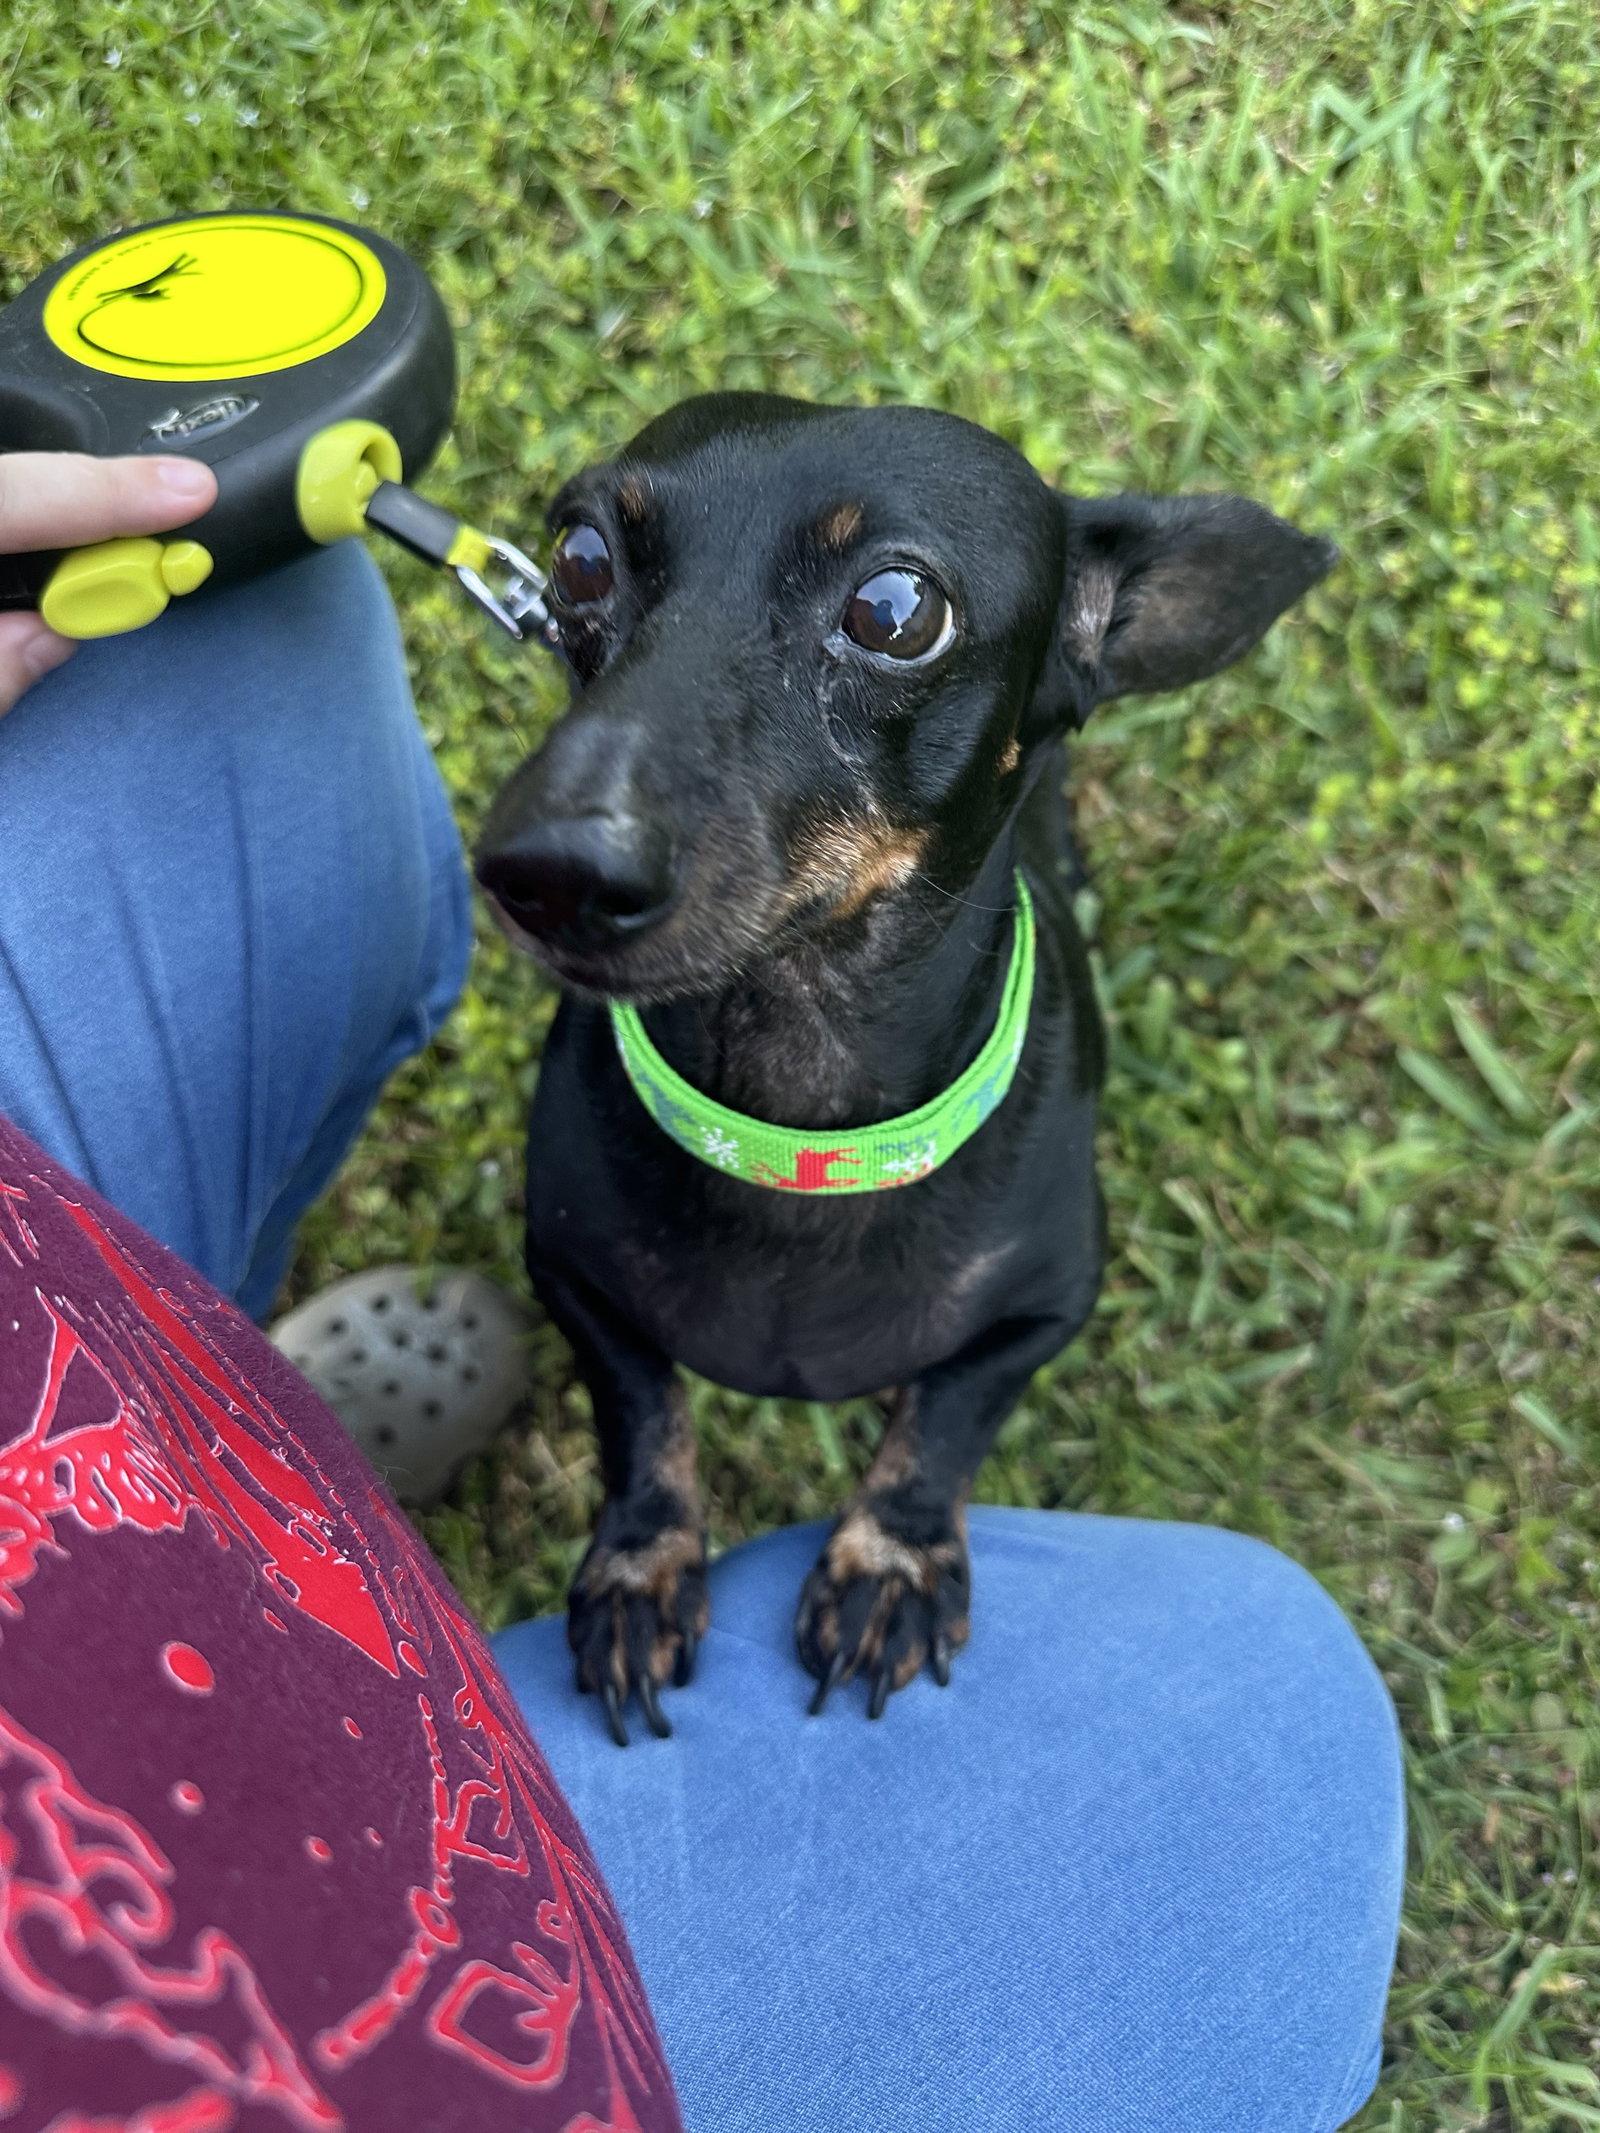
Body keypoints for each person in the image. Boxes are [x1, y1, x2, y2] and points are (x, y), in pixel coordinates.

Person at [0, 452, 1404, 2131]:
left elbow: (1026, 1312)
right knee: (1266, 1695)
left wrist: (910, 1510)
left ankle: (189, 1428)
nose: (566, 834)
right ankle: (386, 1477)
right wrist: (644, 1502)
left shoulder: (1018, 1202)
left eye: (890, 613)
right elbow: (593, 1289)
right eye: (604, 569)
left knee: (238, 593)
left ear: (1105, 629)